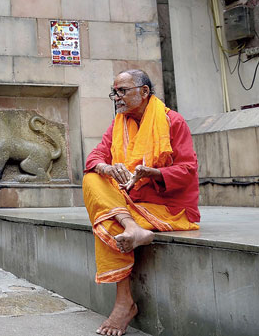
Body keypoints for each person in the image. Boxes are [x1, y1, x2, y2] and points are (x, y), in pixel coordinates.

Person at [83, 69, 200, 336]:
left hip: (167, 207)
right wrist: (107, 169)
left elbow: (188, 169)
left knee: (106, 222)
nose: (117, 98)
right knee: (92, 178)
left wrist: (154, 173)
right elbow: (95, 156)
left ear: (144, 92)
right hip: (130, 205)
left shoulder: (173, 121)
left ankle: (124, 302)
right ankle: (131, 228)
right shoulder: (117, 124)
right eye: (115, 92)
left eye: (122, 91)